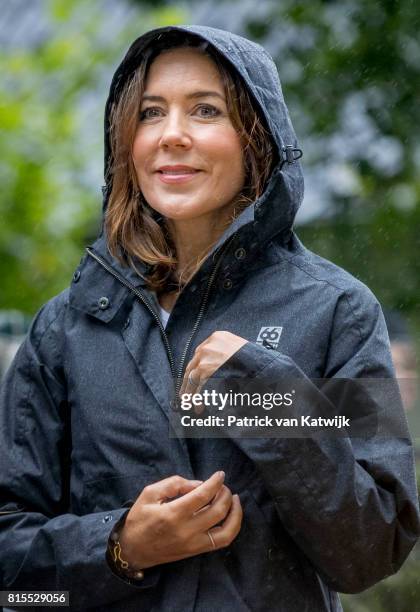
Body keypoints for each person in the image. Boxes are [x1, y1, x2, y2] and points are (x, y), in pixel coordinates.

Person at [0, 24, 419, 612]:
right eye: (150, 113)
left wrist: (266, 395)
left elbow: (371, 552)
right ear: (126, 141)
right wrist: (119, 546)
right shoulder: (65, 329)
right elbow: (16, 587)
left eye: (205, 110)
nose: (171, 135)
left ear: (258, 137)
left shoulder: (335, 310)